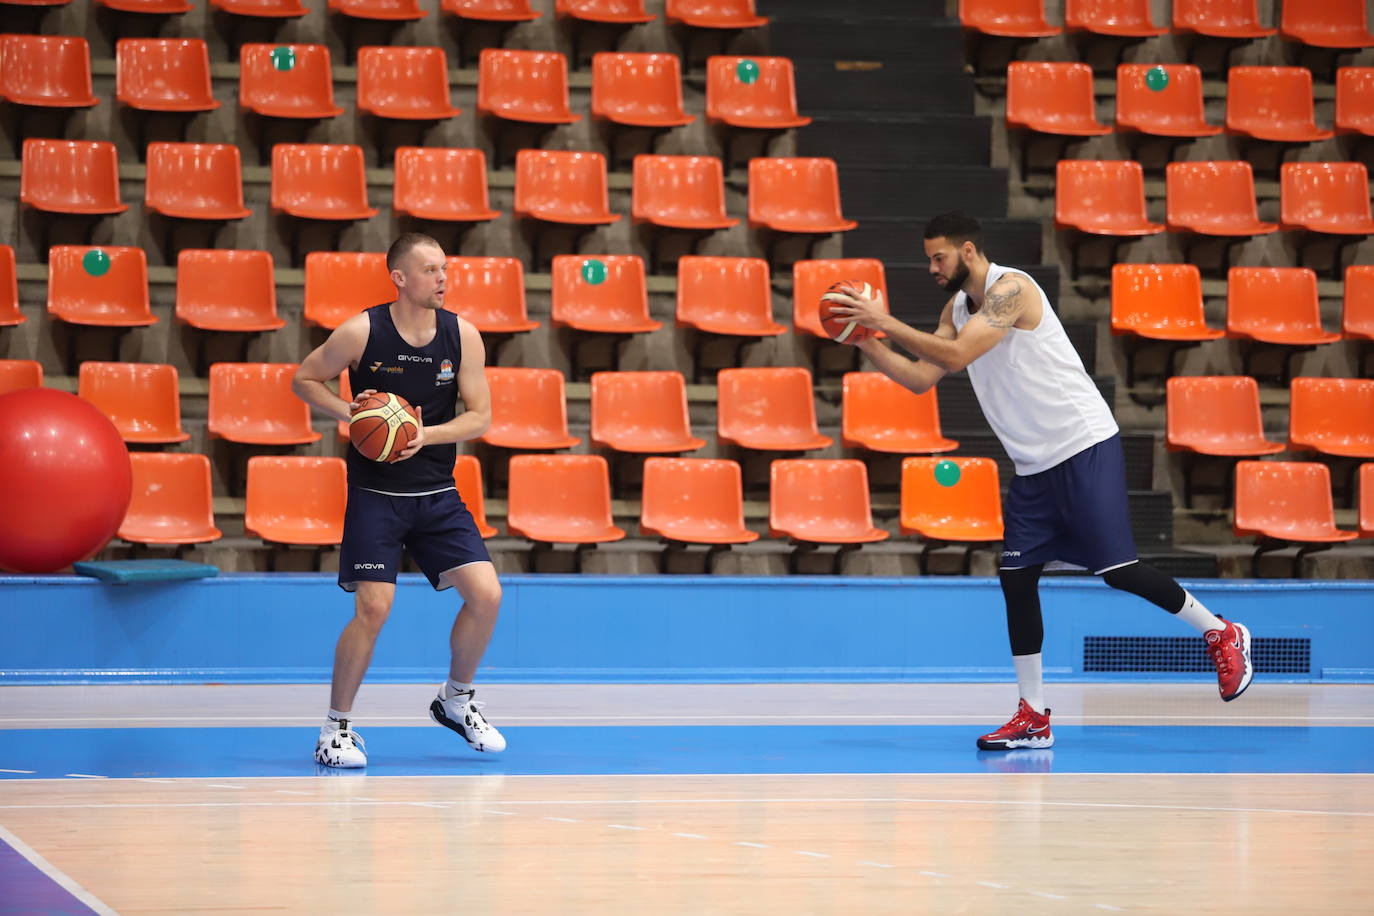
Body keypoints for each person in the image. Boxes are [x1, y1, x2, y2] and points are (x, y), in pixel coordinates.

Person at [826, 211, 1254, 751]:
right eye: (929, 257)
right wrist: (864, 340)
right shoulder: (956, 307)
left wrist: (882, 321)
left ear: (969, 251)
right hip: (1033, 465)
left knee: (1118, 570)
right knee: (1016, 577)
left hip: (1082, 443)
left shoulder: (1014, 290)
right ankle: (1033, 715)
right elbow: (920, 378)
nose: (932, 266)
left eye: (939, 256)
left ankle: (1220, 631)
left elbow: (957, 356)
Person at [292, 232, 505, 767]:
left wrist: (421, 433)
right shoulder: (363, 330)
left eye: (444, 268)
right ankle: (334, 729)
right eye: (431, 270)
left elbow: (480, 416)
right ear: (400, 278)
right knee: (374, 607)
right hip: (376, 496)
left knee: (487, 594)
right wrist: (352, 413)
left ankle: (455, 699)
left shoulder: (464, 337)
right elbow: (304, 378)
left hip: (437, 493)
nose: (443, 279)